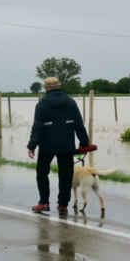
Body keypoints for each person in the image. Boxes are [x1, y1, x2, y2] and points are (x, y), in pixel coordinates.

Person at [27, 77, 89, 216]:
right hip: (66, 144)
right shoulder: (70, 102)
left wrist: (32, 145)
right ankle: (63, 205)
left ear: (46, 88)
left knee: (42, 173)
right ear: (59, 86)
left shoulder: (42, 103)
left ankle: (44, 202)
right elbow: (79, 124)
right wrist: (84, 143)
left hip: (47, 145)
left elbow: (37, 127)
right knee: (66, 175)